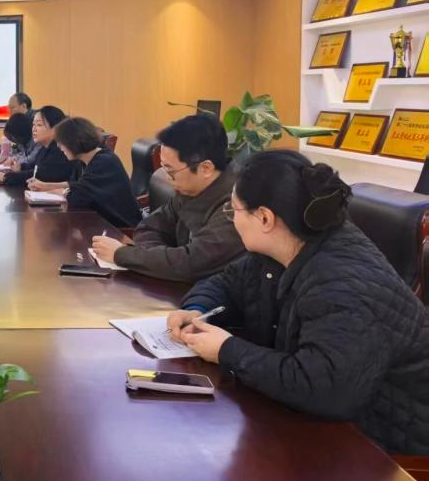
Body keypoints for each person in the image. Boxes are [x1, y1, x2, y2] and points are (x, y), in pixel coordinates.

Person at [168, 150, 429, 455]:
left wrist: (227, 350)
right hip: (330, 421)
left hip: (392, 446)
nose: (232, 219)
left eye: (234, 210)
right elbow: (228, 282)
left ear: (265, 218)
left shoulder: (339, 282)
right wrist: (198, 308)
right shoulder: (288, 244)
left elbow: (325, 389)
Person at [91, 114, 243, 282]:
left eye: (171, 171)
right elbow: (148, 228)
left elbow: (194, 263)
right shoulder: (189, 189)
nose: (168, 178)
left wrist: (122, 255)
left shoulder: (239, 203)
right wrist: (162, 261)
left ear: (205, 168)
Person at [31, 117, 141, 228]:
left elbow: (77, 197)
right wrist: (46, 186)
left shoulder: (104, 162)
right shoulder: (84, 160)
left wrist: (62, 191)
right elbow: (75, 185)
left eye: (61, 142)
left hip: (121, 229)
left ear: (73, 141)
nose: (59, 147)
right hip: (99, 222)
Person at [0, 105, 74, 186]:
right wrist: (21, 167)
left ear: (55, 128)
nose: (34, 129)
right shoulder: (45, 148)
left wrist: (5, 177)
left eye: (39, 125)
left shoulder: (60, 150)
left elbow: (41, 175)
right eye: (33, 124)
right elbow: (36, 167)